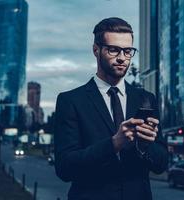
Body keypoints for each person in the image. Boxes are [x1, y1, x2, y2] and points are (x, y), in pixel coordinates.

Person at [54, 17, 168, 200]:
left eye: (128, 51)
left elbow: (162, 164)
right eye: (114, 50)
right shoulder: (71, 100)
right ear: (96, 50)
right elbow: (64, 168)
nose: (122, 58)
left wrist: (145, 147)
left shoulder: (146, 99)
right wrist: (114, 143)